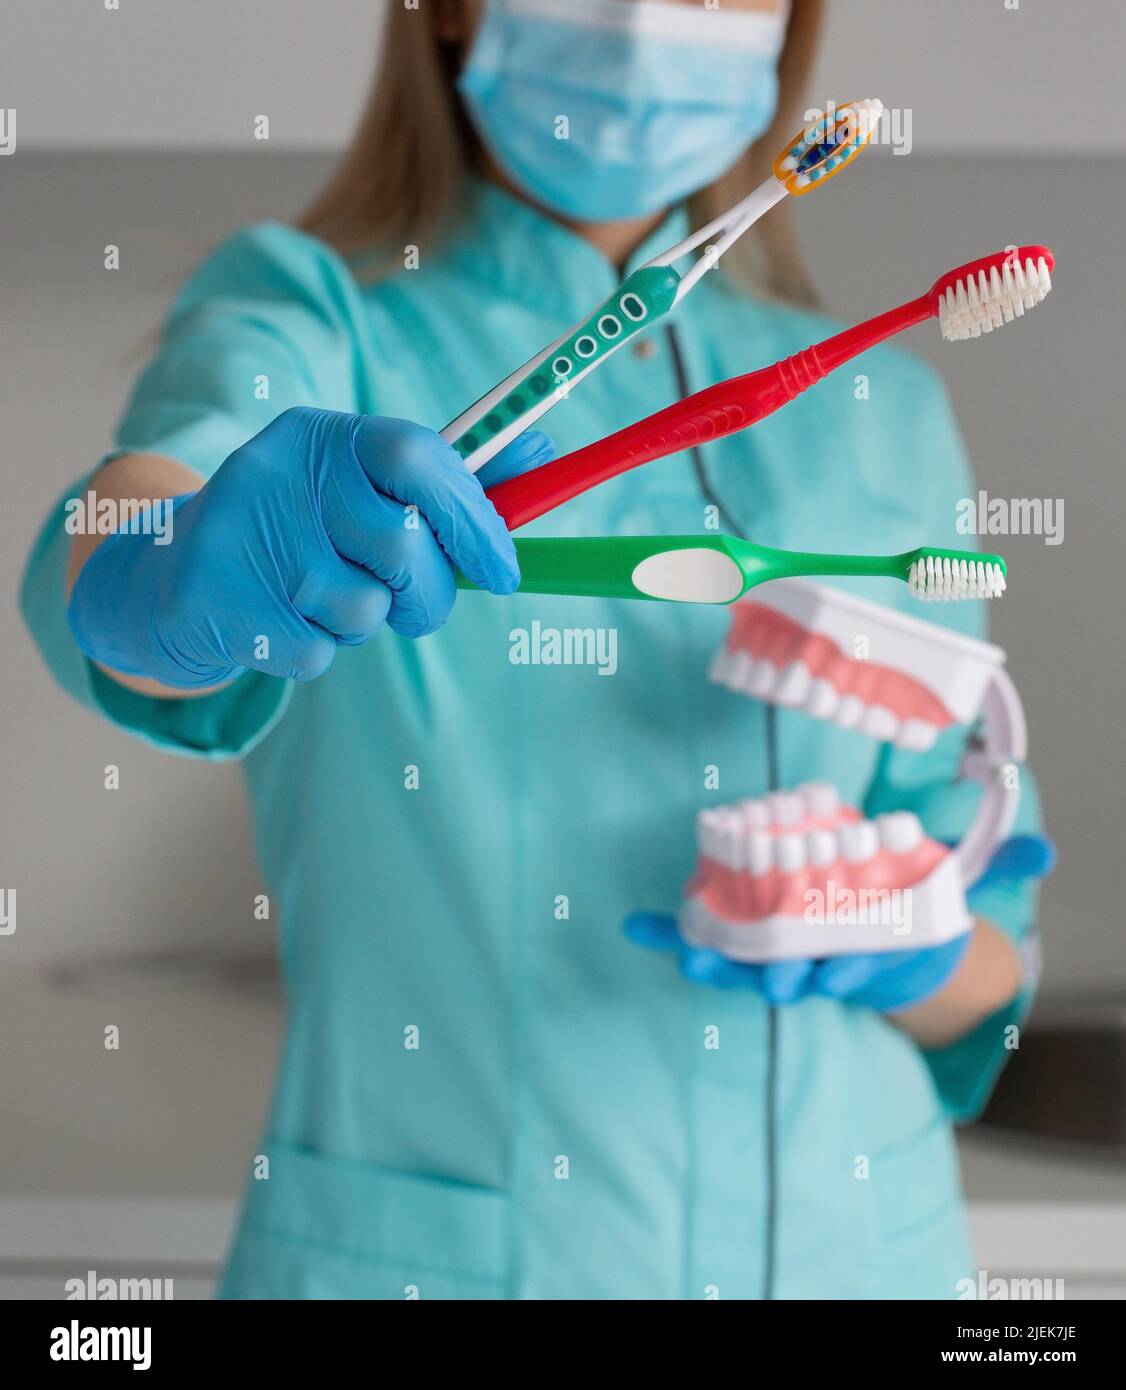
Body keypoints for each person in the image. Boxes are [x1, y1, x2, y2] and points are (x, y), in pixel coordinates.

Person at [22, 0, 1043, 1299]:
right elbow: (125, 522)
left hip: (863, 1250)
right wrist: (158, 578)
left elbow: (990, 932)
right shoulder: (314, 314)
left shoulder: (883, 410)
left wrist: (929, 947)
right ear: (448, 10)